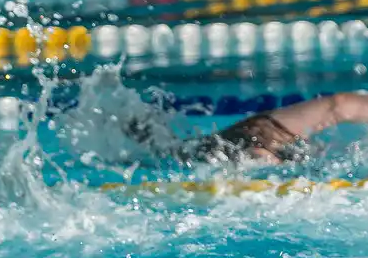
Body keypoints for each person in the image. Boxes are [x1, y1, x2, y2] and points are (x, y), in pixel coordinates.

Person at [133, 91, 368, 164]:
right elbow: (340, 105)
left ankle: (135, 130)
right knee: (170, 156)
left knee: (173, 154)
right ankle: (131, 127)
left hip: (269, 139)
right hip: (259, 141)